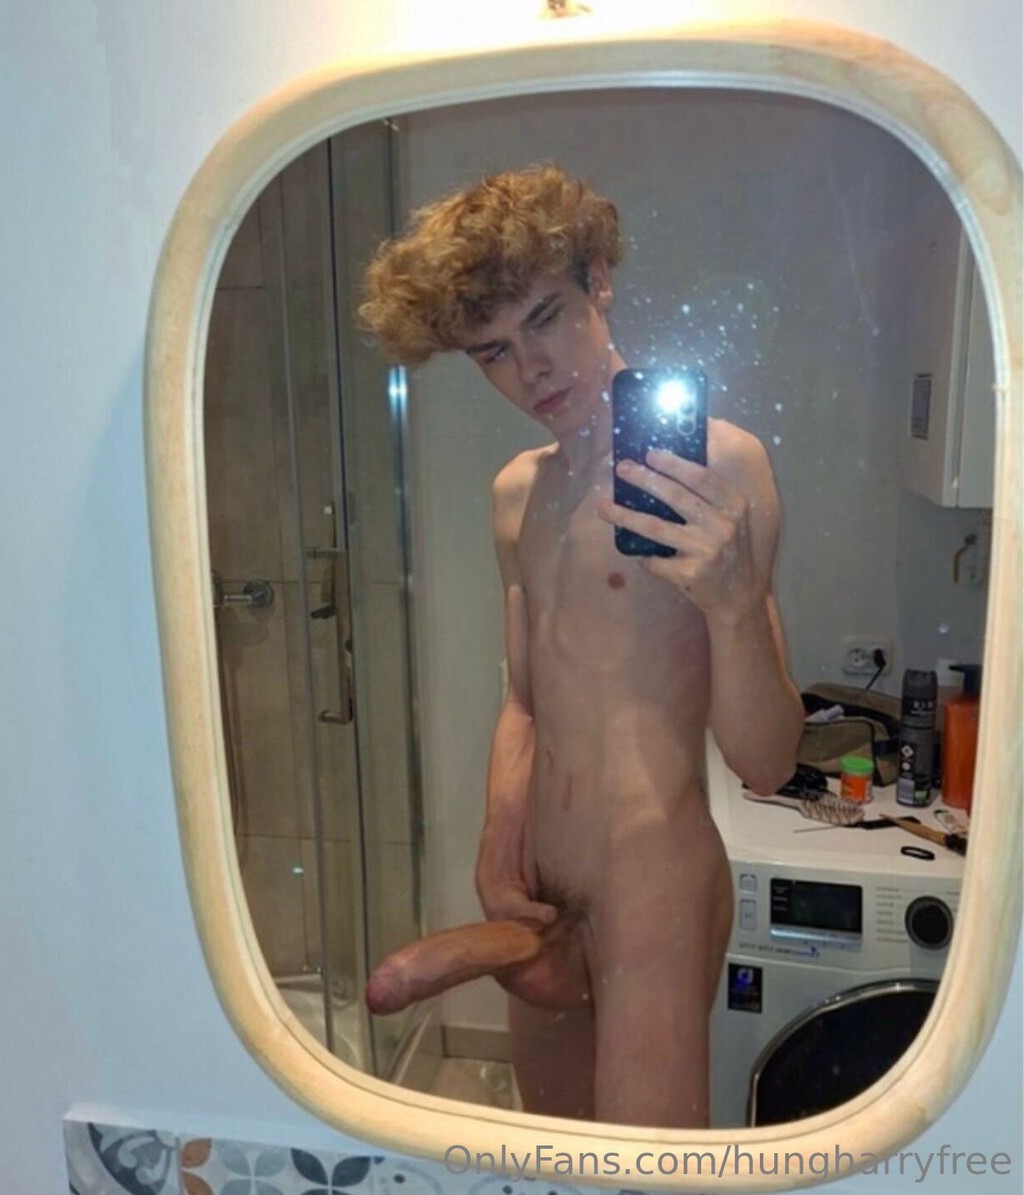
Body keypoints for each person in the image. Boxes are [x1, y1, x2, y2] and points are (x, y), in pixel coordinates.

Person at [358, 163, 804, 1128]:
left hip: (655, 881)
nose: (533, 369)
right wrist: (496, 843)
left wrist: (733, 607)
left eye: (547, 318)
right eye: (494, 351)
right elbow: (524, 698)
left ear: (599, 279)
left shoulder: (722, 464)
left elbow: (768, 762)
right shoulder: (515, 493)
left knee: (645, 1177)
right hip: (540, 883)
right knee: (556, 1154)